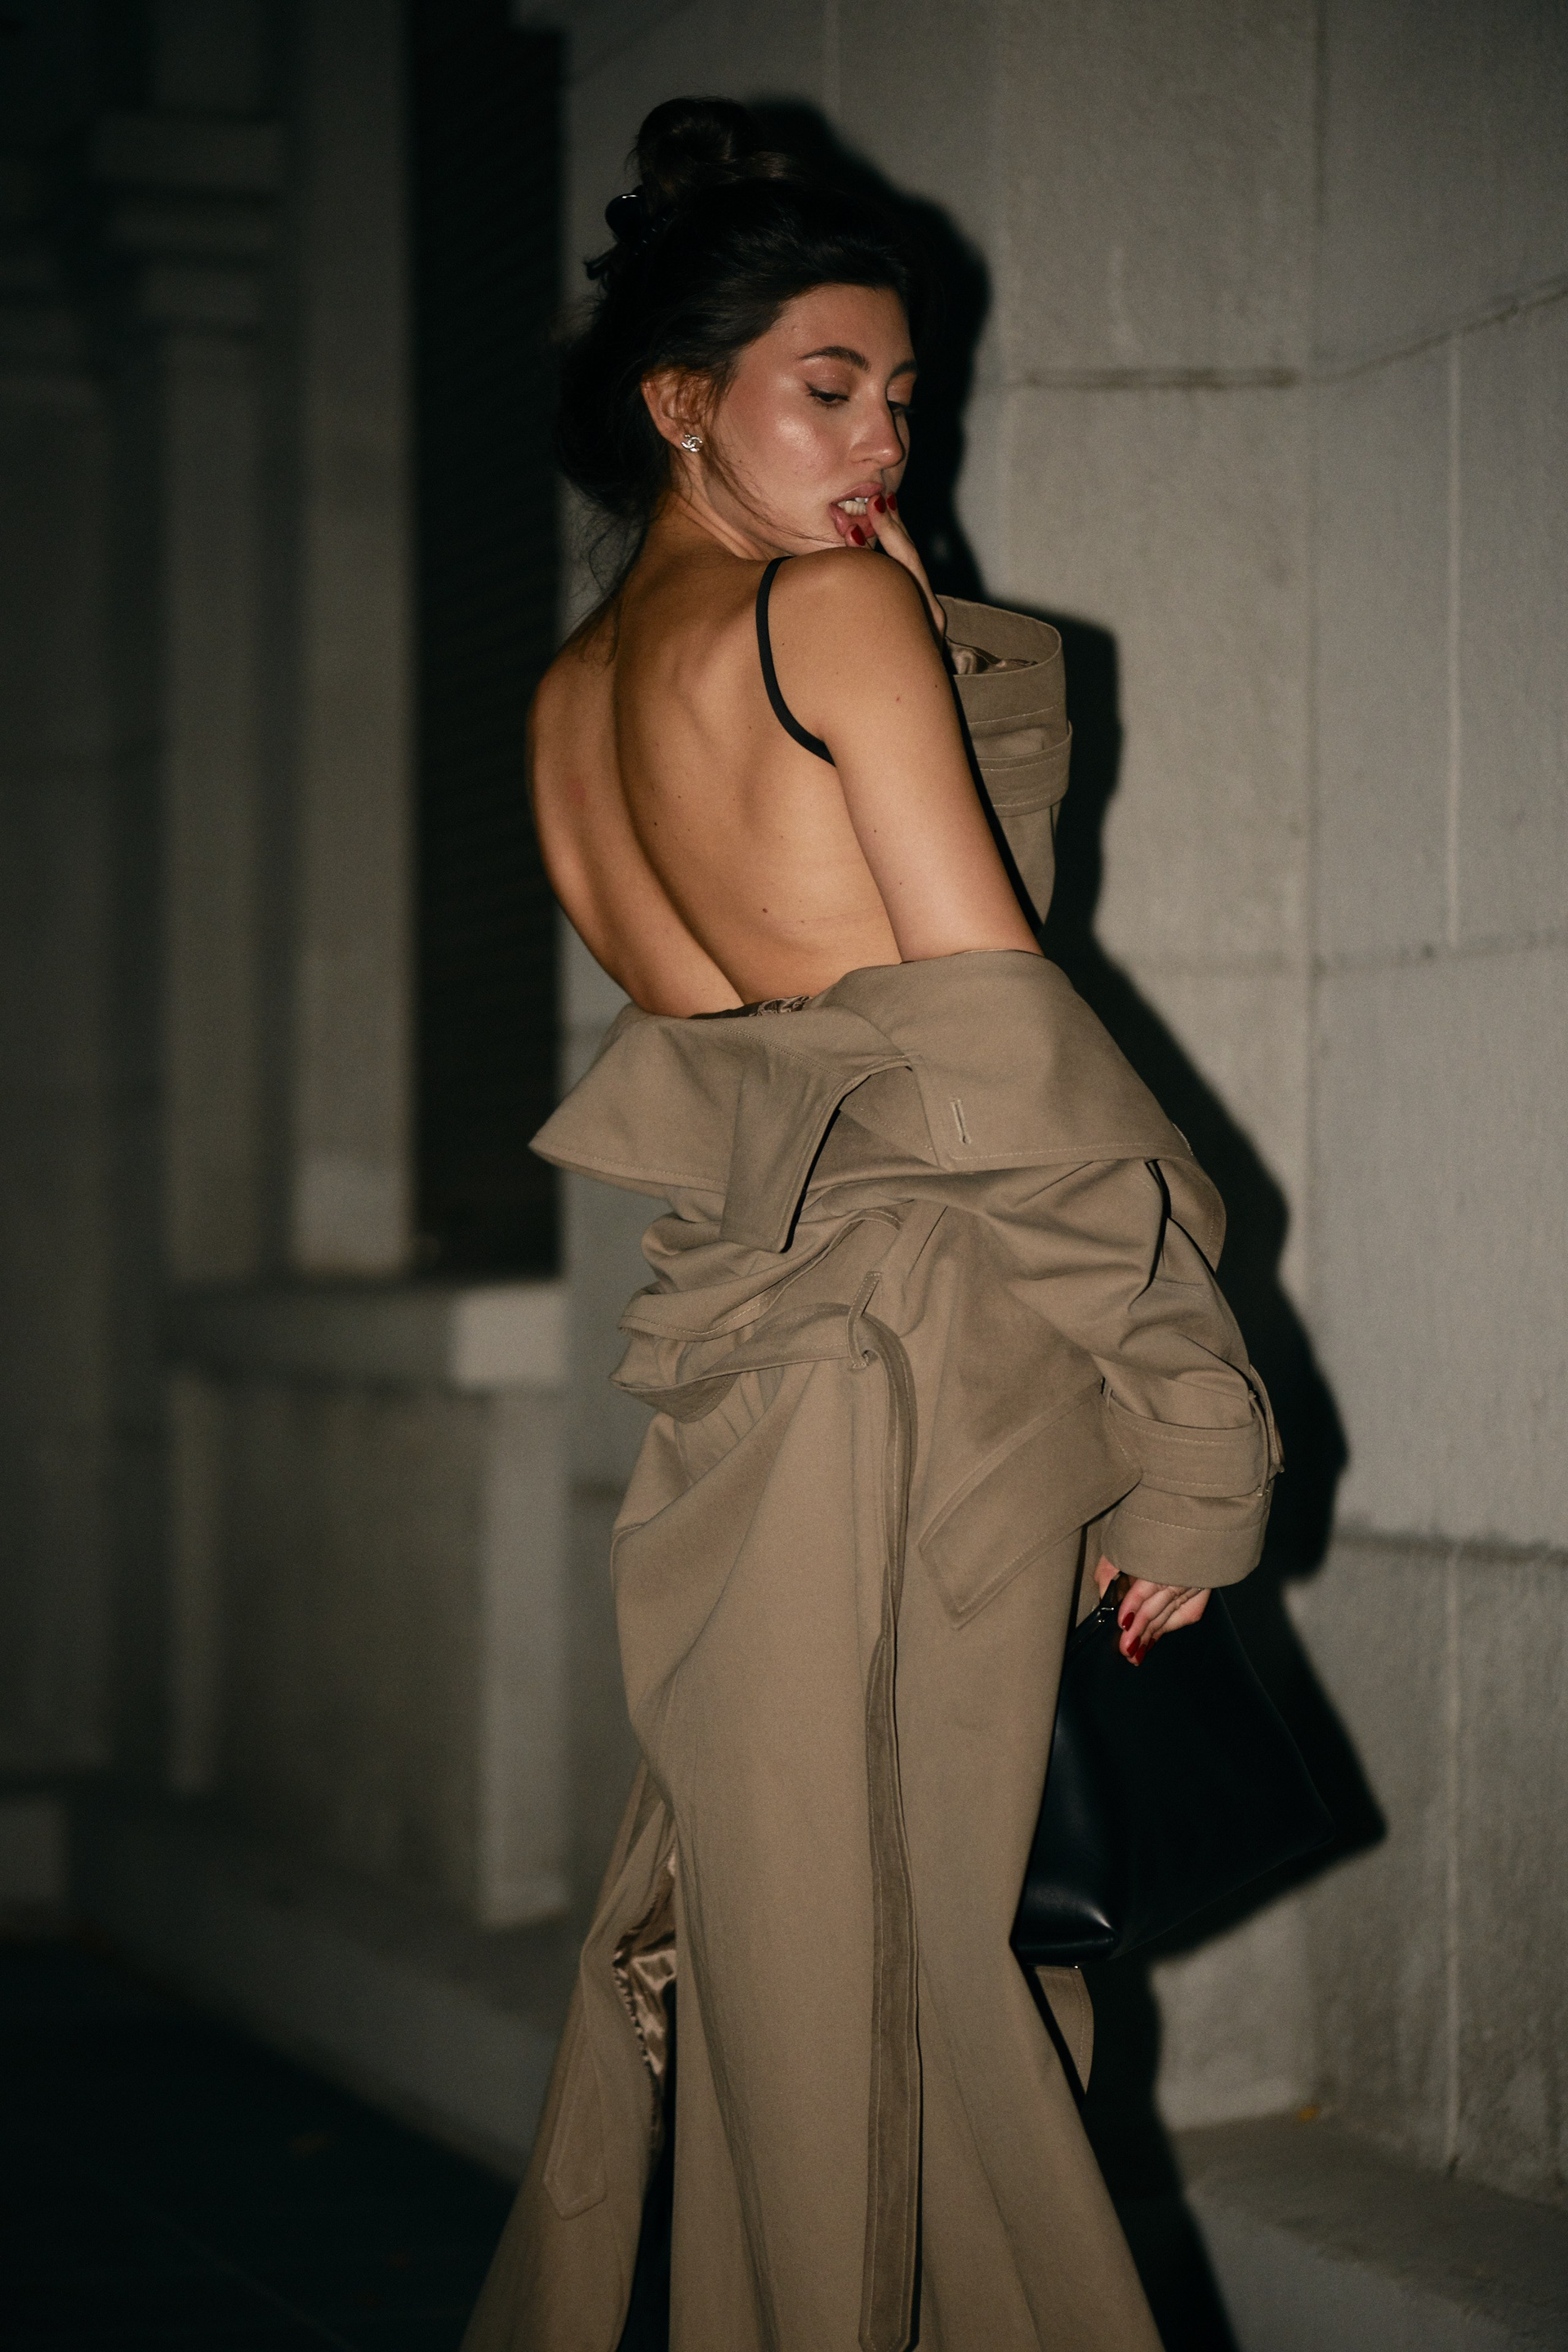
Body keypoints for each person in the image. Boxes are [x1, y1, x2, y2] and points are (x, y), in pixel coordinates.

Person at [465, 96, 1279, 2352]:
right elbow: (996, 1062)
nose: (884, 441)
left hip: (745, 1385)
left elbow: (778, 1031)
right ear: (680, 400)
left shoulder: (562, 705)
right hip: (937, 1356)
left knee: (808, 1975)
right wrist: (1202, 1434)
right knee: (925, 1988)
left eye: (906, 397)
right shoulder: (831, 617)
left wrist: (927, 641)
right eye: (828, 389)